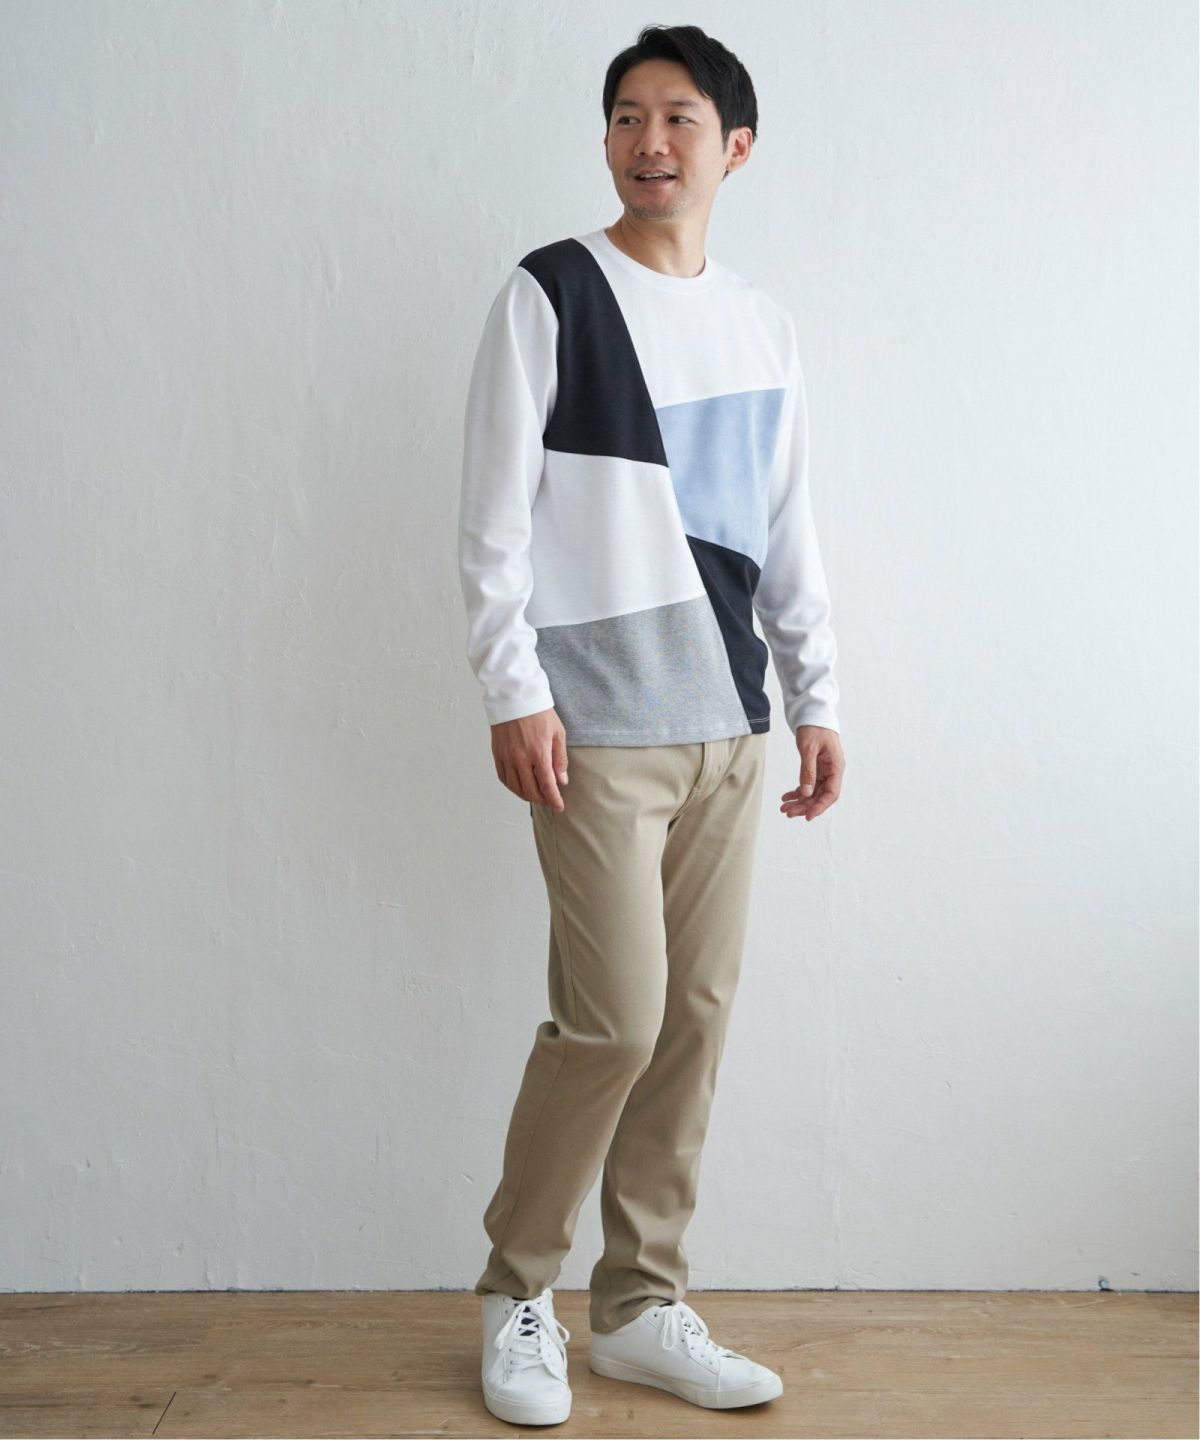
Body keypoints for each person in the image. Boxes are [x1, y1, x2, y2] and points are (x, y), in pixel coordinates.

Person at [457, 22, 845, 1427]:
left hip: (732, 726)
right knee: (612, 1022)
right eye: (627, 115)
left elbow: (788, 530)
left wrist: (816, 697)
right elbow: (493, 518)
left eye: (679, 117)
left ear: (735, 146)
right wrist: (513, 689)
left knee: (693, 1023)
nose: (650, 141)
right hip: (598, 728)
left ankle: (637, 1306)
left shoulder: (763, 326)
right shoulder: (553, 292)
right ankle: (518, 1291)